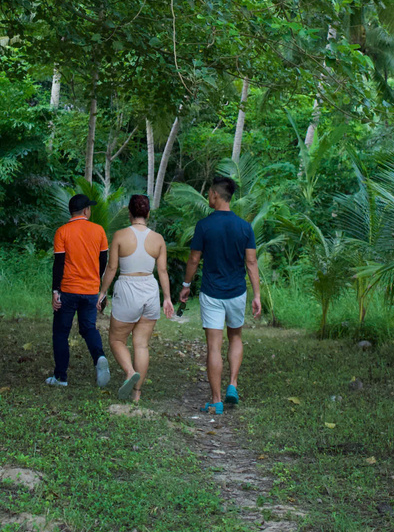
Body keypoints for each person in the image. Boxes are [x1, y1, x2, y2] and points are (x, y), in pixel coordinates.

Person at [179, 174, 261, 414]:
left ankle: (216, 401)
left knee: (214, 346)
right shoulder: (244, 227)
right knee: (235, 336)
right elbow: (252, 262)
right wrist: (256, 295)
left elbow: (194, 259)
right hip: (237, 292)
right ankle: (232, 384)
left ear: (215, 195)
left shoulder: (204, 225)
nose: (208, 197)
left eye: (209, 193)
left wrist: (186, 284)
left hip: (212, 293)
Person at [97, 194, 175, 402]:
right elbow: (163, 271)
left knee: (116, 339)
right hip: (150, 290)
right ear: (147, 214)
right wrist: (167, 298)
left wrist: (102, 292)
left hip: (128, 289)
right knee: (141, 344)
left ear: (129, 214)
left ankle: (130, 373)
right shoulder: (158, 239)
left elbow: (112, 267)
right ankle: (136, 394)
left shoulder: (121, 236)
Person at [46, 193, 111, 389]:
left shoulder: (62, 232)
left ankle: (61, 377)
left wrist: (55, 291)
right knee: (89, 328)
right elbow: (103, 261)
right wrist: (97, 284)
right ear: (86, 210)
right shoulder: (99, 231)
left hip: (67, 290)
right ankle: (99, 356)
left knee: (60, 332)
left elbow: (58, 264)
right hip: (90, 290)